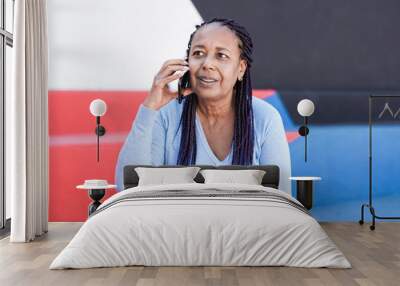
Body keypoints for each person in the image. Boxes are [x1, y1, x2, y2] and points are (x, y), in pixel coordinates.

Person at [115, 18, 291, 194]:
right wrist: (150, 108)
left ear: (241, 68)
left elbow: (280, 196)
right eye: (198, 53)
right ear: (187, 62)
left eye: (221, 55)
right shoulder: (165, 115)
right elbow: (128, 188)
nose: (207, 64)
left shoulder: (265, 117)